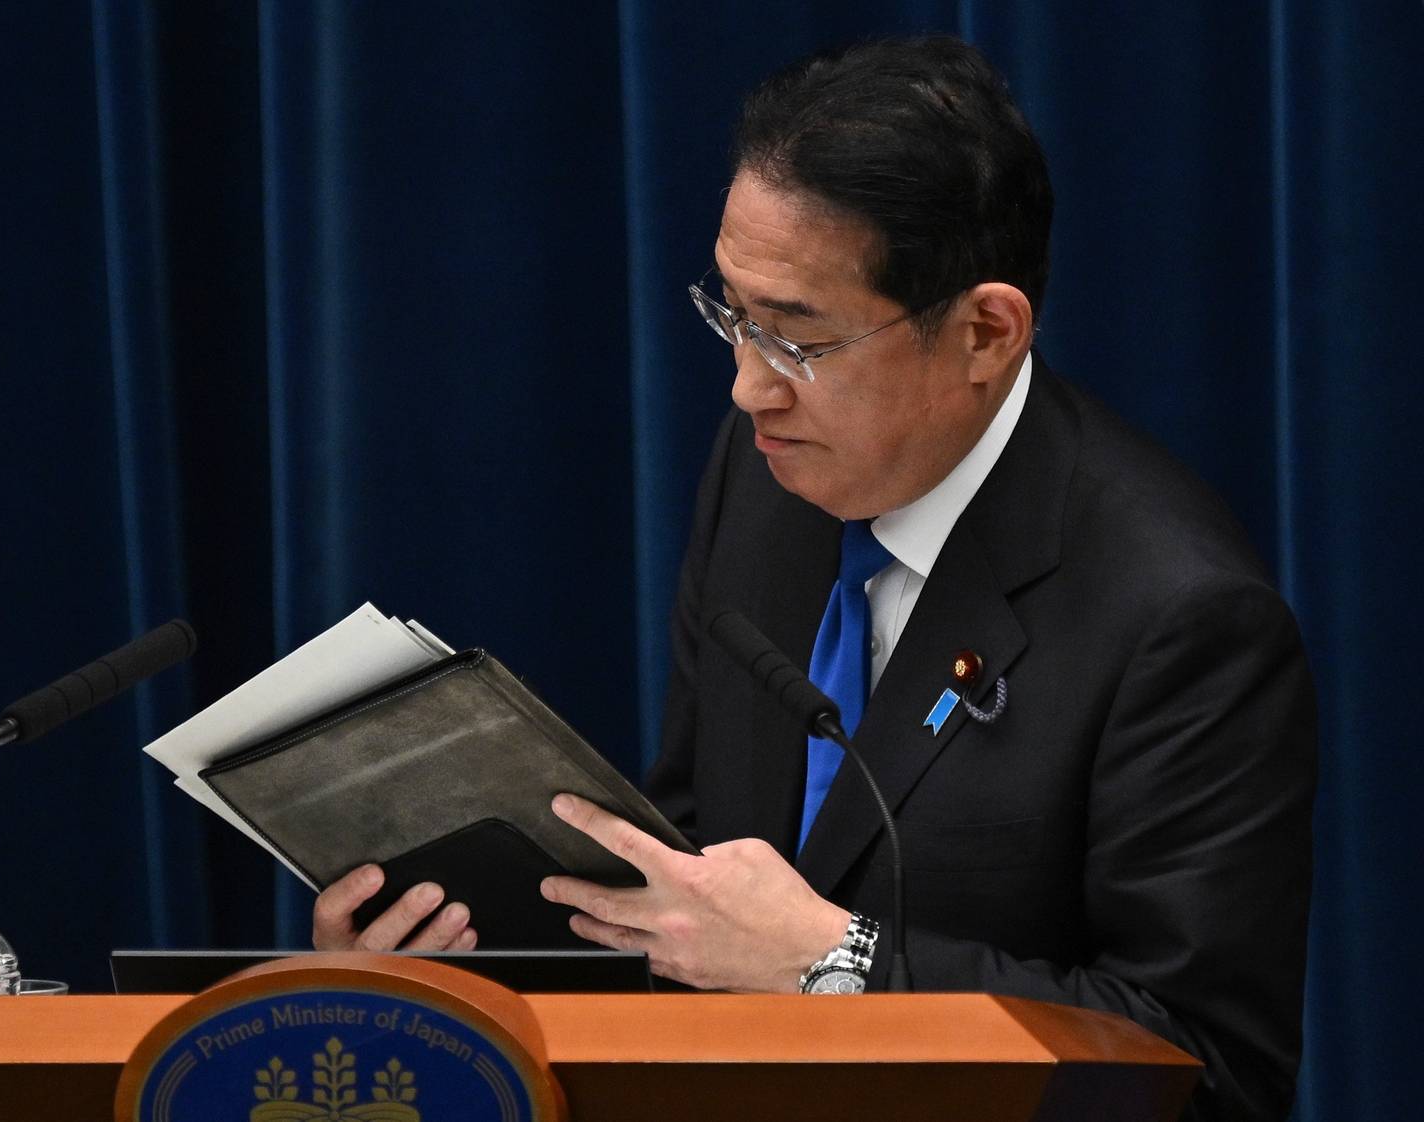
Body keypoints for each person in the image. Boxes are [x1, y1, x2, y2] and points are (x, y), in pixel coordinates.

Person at [310, 35, 1315, 1122]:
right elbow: (695, 881)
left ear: (984, 331)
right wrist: (451, 961)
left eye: (795, 340)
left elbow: (1205, 1072)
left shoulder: (1178, 617)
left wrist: (833, 963)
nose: (746, 389)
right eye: (730, 314)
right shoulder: (766, 475)